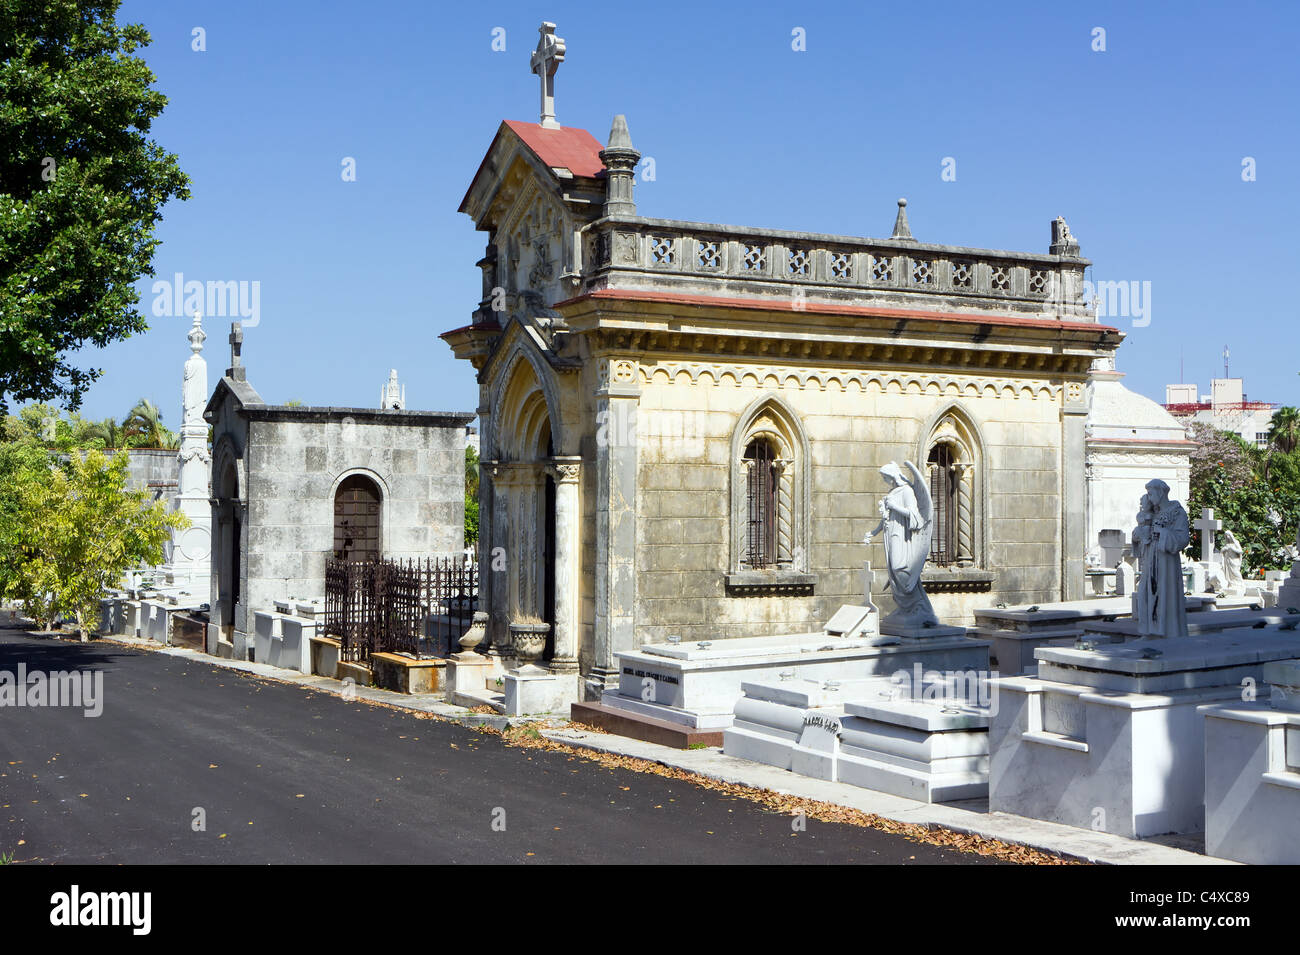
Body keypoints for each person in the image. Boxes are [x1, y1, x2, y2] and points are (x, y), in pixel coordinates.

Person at [863, 461, 938, 629]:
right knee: (893, 573)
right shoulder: (892, 492)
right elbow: (887, 519)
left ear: (892, 475)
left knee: (900, 568)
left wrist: (895, 506)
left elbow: (915, 516)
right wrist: (874, 532)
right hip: (890, 535)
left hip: (902, 536)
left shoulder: (907, 491)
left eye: (885, 477)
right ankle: (905, 608)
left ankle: (920, 608)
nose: (885, 481)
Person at [1131, 479, 1190, 638]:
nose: (1148, 498)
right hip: (1150, 561)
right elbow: (1141, 537)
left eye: (1151, 494)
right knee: (1145, 592)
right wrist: (1138, 535)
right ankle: (1149, 631)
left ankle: (1167, 632)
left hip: (1166, 564)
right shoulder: (1150, 513)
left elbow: (1183, 539)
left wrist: (1162, 534)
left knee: (1164, 595)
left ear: (1161, 492)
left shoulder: (1177, 512)